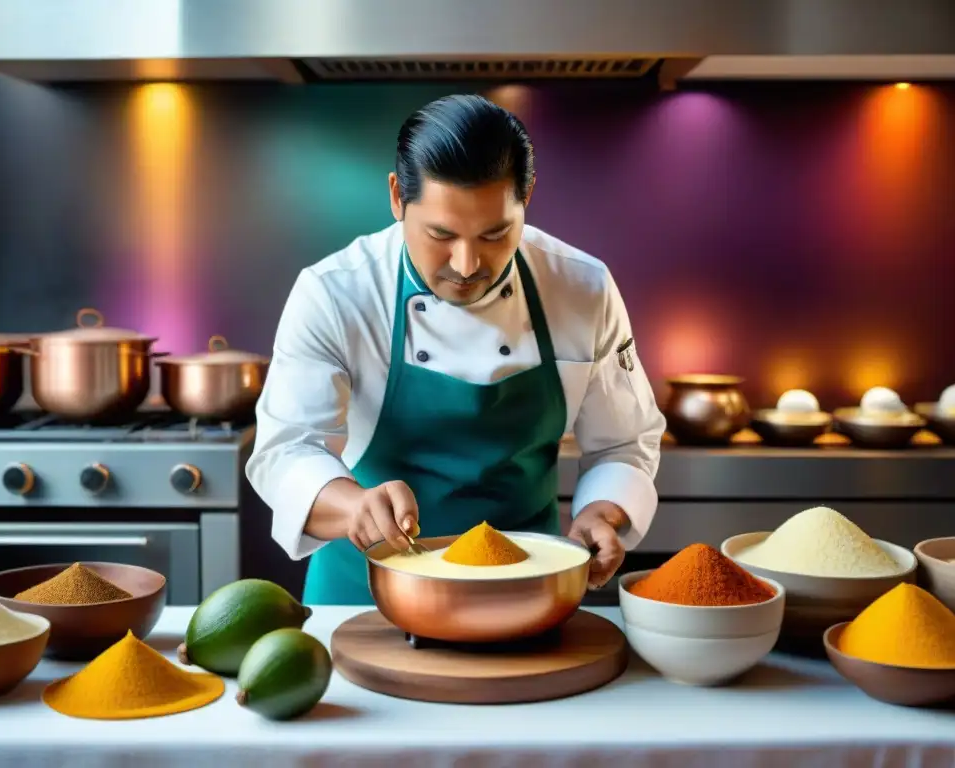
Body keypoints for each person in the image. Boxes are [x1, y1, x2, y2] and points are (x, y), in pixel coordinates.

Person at [246, 94, 666, 605]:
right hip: (365, 596)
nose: (466, 265)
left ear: (527, 195)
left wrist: (604, 512)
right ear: (398, 197)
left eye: (495, 235)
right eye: (441, 235)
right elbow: (288, 450)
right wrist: (354, 507)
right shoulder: (336, 293)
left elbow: (624, 443)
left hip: (525, 588)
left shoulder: (582, 288)